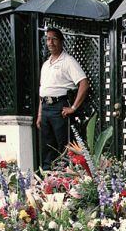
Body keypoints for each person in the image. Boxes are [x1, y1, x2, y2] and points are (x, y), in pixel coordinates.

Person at [36, 28, 90, 170]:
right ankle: (48, 183)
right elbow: (43, 91)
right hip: (45, 108)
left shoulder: (68, 61)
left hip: (59, 107)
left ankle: (65, 182)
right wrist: (40, 114)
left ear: (61, 41)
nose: (50, 42)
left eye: (54, 39)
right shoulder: (46, 65)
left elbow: (84, 83)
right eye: (48, 39)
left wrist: (73, 108)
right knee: (47, 148)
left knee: (64, 147)